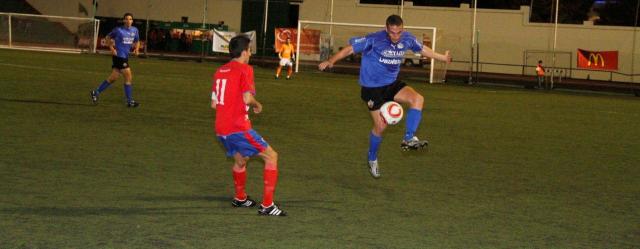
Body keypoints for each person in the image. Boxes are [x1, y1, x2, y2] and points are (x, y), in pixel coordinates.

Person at [318, 15, 451, 178]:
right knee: (381, 127)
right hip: (372, 89)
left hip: (391, 84)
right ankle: (372, 157)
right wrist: (331, 61)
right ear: (386, 29)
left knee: (418, 99)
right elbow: (350, 49)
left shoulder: (407, 39)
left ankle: (409, 138)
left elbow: (423, 49)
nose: (396, 36)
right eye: (393, 33)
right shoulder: (374, 39)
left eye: (399, 32)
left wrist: (442, 58)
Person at [211, 35, 286, 216]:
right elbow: (247, 97)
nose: (251, 54)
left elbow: (214, 104)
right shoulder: (245, 69)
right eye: (250, 50)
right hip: (237, 127)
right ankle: (267, 205)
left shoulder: (219, 71)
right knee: (271, 157)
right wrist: (257, 104)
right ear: (244, 52)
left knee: (241, 160)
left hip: (221, 129)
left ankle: (240, 198)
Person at [90, 13, 140, 107]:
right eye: (127, 19)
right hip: (119, 56)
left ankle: (95, 92)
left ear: (132, 21)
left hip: (124, 56)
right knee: (128, 77)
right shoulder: (118, 30)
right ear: (124, 20)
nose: (129, 21)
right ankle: (130, 101)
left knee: (113, 78)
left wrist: (136, 49)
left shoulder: (135, 30)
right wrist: (112, 48)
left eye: (130, 19)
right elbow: (107, 37)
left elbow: (137, 41)